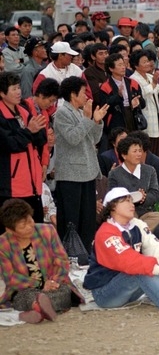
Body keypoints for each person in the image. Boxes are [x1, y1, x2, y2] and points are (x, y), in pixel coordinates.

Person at [0, 199, 80, 322]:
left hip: (53, 283)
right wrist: (40, 284)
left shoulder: (47, 231)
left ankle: (36, 310)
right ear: (10, 230)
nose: (29, 226)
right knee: (24, 296)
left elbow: (62, 260)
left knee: (65, 292)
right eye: (23, 226)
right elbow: (10, 277)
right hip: (25, 288)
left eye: (30, 220)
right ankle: (38, 306)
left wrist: (54, 281)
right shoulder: (3, 243)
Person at [54, 77, 108, 251]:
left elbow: (94, 139)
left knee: (87, 218)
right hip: (71, 175)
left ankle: (85, 253)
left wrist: (96, 121)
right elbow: (73, 138)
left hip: (87, 172)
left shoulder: (78, 112)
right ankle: (70, 254)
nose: (87, 96)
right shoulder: (62, 113)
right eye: (84, 92)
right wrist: (87, 119)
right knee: (71, 219)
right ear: (72, 94)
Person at [0, 72, 47, 232]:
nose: (19, 92)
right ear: (2, 93)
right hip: (10, 186)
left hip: (32, 183)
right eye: (13, 89)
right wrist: (29, 131)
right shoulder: (1, 115)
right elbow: (10, 143)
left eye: (19, 87)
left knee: (34, 229)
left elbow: (40, 138)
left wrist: (37, 132)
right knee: (14, 231)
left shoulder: (24, 110)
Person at [130, 50, 159, 156]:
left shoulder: (150, 77)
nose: (148, 64)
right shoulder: (133, 79)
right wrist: (153, 84)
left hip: (157, 119)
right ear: (136, 65)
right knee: (148, 152)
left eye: (148, 61)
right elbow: (141, 96)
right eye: (144, 62)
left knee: (157, 151)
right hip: (146, 120)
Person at [107, 135, 159, 219]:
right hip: (125, 213)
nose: (139, 154)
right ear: (124, 155)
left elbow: (156, 194)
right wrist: (132, 198)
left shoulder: (150, 170)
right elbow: (112, 198)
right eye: (135, 151)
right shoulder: (114, 174)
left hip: (147, 213)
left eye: (140, 151)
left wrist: (144, 198)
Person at [99, 53, 145, 135]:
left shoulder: (132, 83)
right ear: (111, 68)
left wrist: (138, 102)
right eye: (119, 65)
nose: (123, 67)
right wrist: (118, 96)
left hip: (133, 118)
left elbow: (143, 104)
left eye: (123, 64)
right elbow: (105, 106)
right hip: (116, 121)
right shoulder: (105, 86)